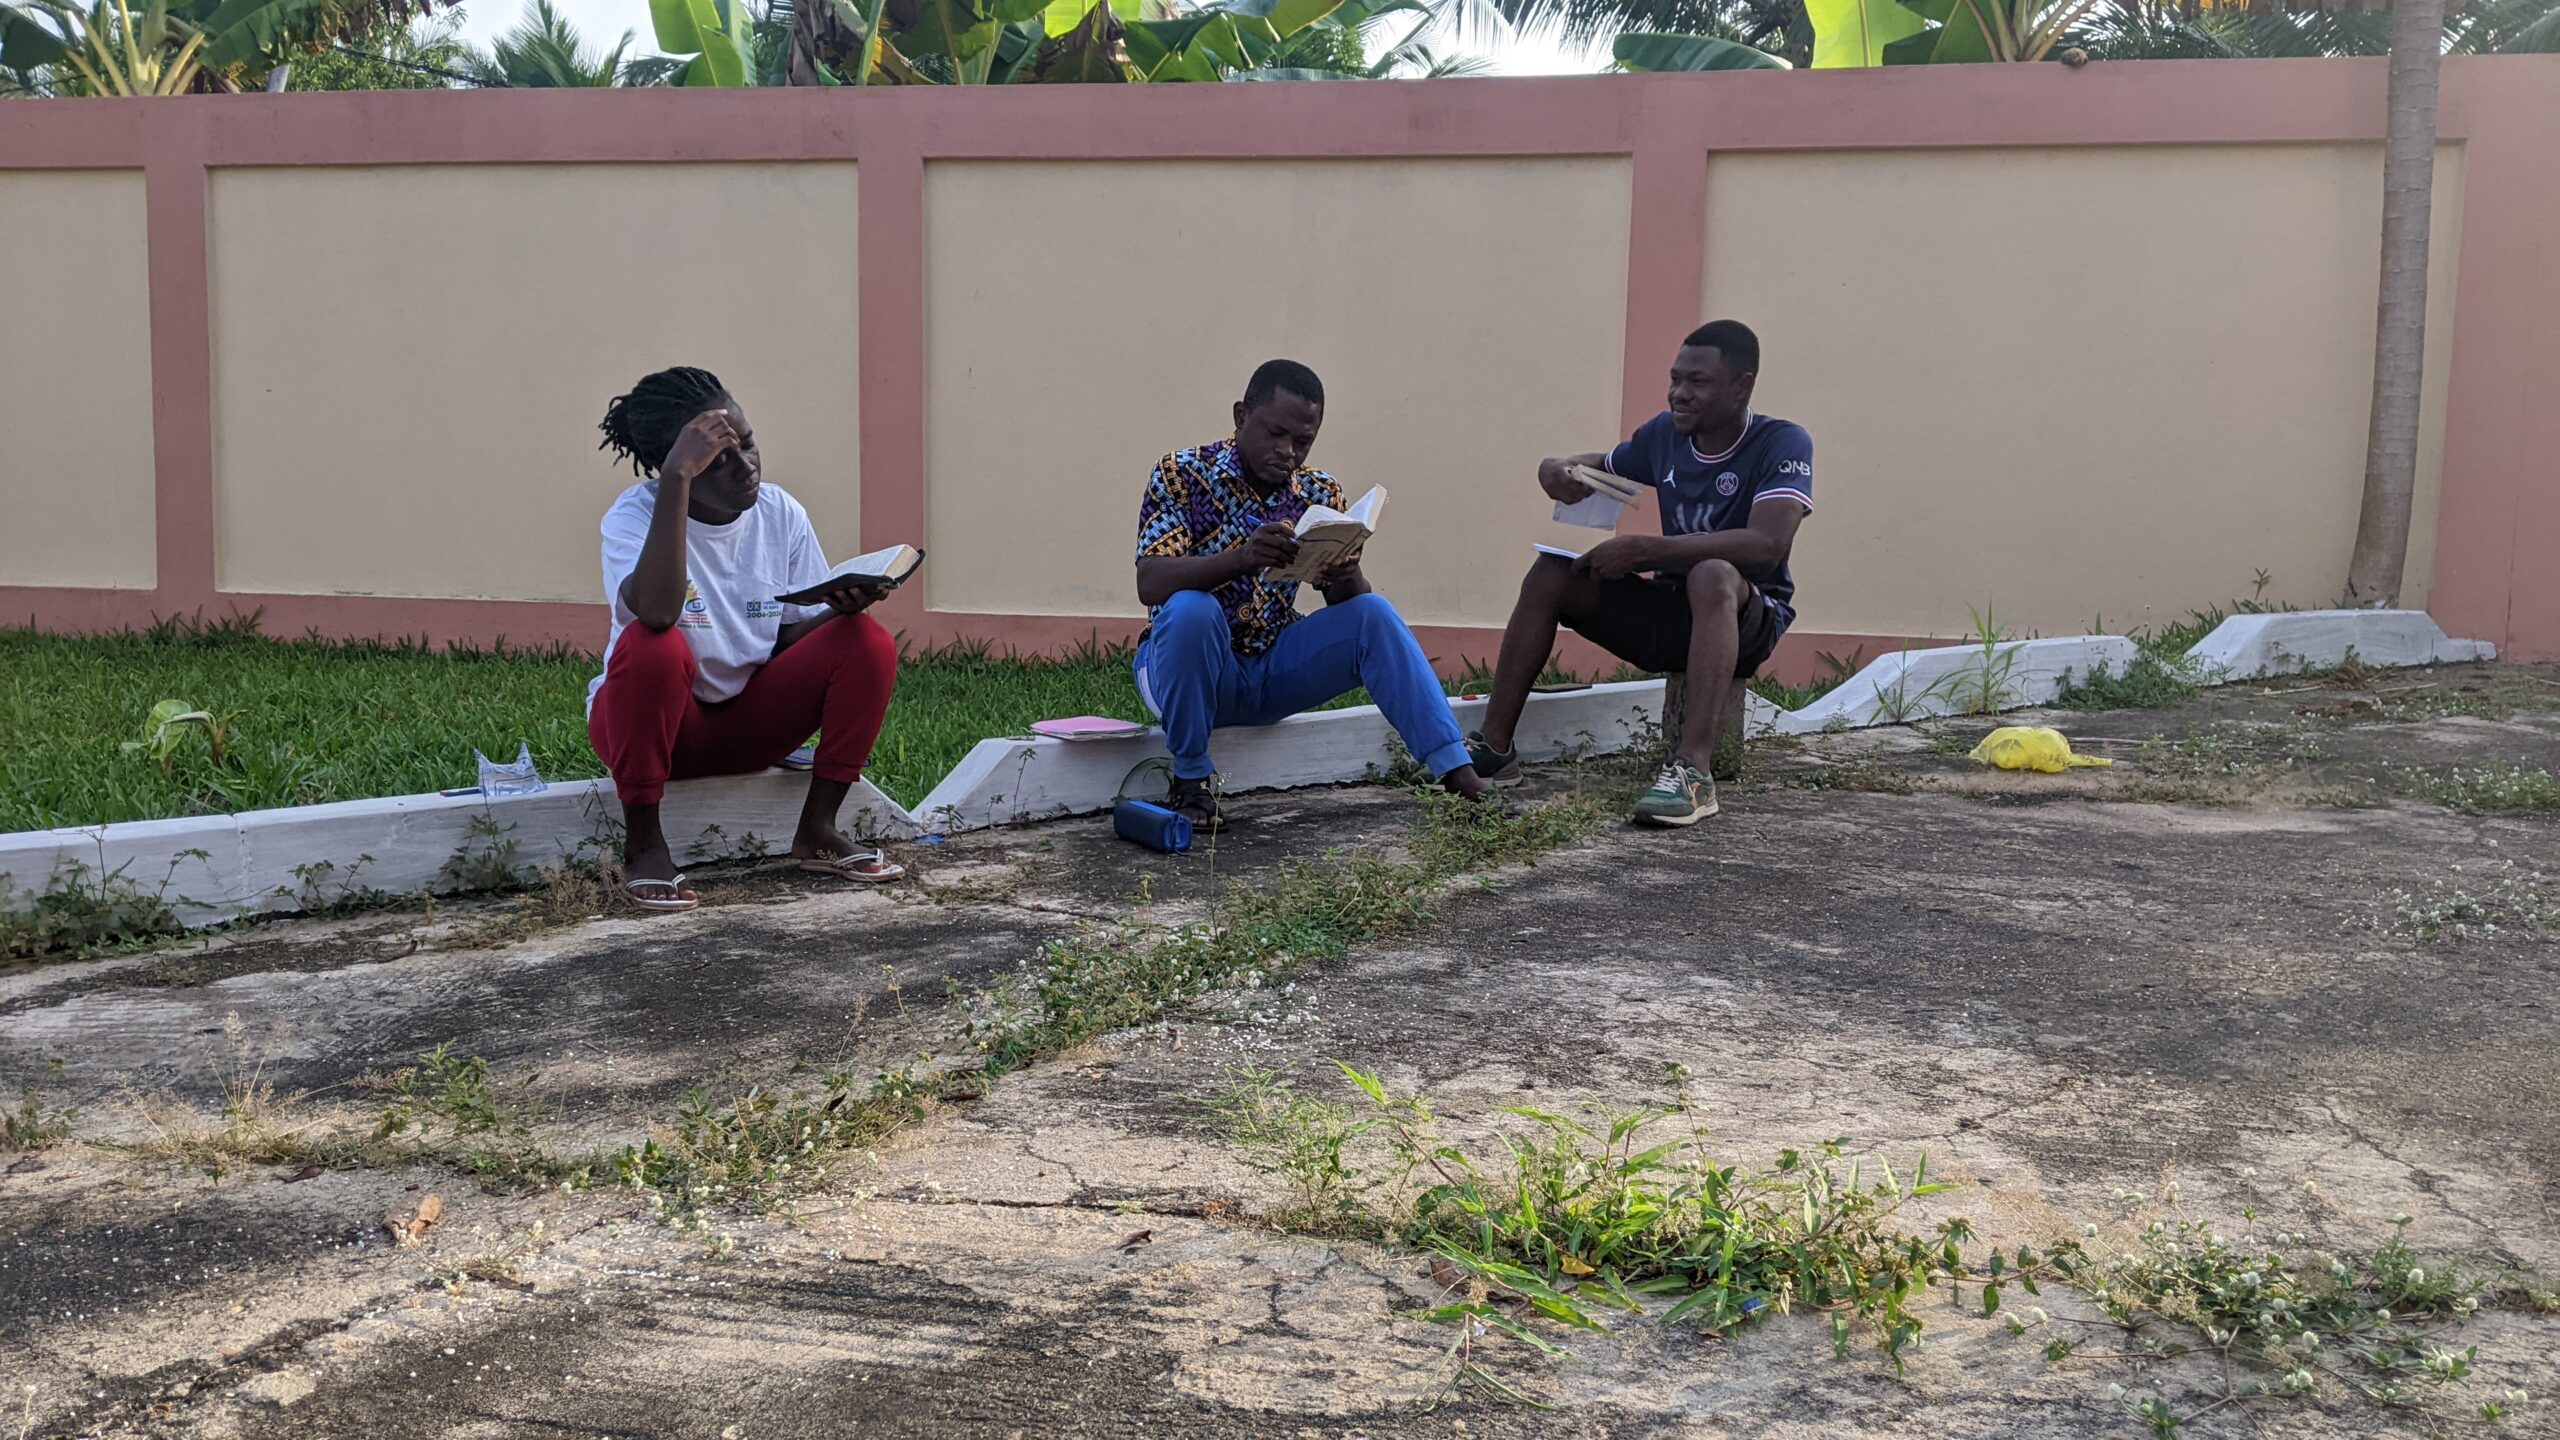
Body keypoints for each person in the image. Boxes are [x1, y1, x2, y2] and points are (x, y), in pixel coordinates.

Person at [1467, 320, 1813, 827]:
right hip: (1674, 616)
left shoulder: (1781, 443)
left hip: (1746, 620)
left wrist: (1646, 551)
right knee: (1552, 572)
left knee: (1712, 574)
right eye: (1675, 379)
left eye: (1698, 382)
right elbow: (1598, 463)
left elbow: (1767, 546)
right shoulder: (1663, 436)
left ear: (1742, 386)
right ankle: (1494, 749)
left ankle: (1693, 773)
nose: (1679, 393)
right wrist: (1558, 468)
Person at [585, 366, 903, 912]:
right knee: (651, 645)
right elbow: (658, 613)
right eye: (718, 460)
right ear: (676, 467)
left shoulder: (781, 513)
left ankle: (818, 832)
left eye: (749, 444)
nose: (746, 467)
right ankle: (643, 846)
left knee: (865, 640)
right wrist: (677, 484)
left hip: (748, 728)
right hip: (653, 732)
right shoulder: (634, 516)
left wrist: (840, 609)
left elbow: (783, 642)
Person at [1133, 359, 1495, 829]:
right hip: (1188, 676)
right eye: (1275, 433)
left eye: (1303, 442)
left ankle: (1457, 775)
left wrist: (1343, 569)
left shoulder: (1319, 491)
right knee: (1190, 610)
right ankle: (1190, 782)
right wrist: (1243, 557)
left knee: (1373, 613)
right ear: (1241, 415)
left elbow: (1347, 606)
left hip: (1270, 670)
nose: (1287, 452)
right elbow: (1150, 582)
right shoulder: (1179, 473)